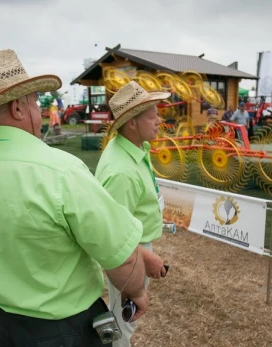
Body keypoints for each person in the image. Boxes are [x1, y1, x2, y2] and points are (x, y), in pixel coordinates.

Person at [0, 49, 149, 347]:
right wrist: (136, 292)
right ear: (18, 108)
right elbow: (121, 257)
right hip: (63, 329)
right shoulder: (61, 170)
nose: (40, 111)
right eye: (34, 102)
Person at [95, 81, 169, 347]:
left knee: (124, 319)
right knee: (123, 323)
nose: (159, 121)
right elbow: (113, 235)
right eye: (152, 116)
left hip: (134, 248)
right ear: (132, 124)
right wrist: (144, 256)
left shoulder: (132, 151)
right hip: (130, 252)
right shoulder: (121, 172)